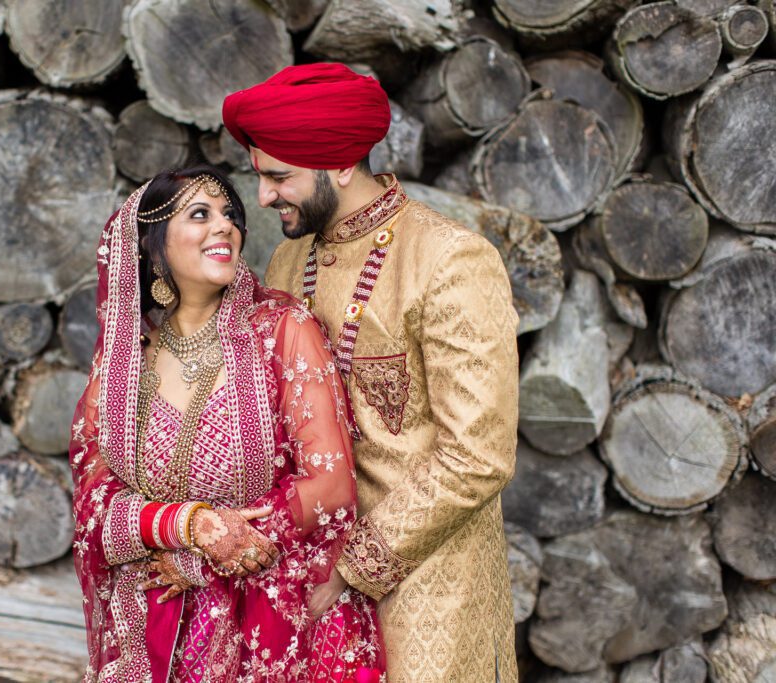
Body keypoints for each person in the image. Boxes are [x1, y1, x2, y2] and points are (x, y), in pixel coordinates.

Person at [223, 64, 519, 682]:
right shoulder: (287, 259)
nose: (265, 198)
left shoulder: (448, 260)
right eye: (262, 177)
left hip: (427, 594)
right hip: (304, 585)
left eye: (280, 177)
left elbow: (478, 453)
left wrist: (352, 567)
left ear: (337, 164)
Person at [69, 164, 384, 682]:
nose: (226, 227)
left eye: (230, 215)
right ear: (152, 247)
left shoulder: (281, 332)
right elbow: (93, 500)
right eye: (200, 214)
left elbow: (329, 487)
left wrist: (211, 555)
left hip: (269, 628)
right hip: (152, 630)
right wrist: (189, 526)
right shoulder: (126, 363)